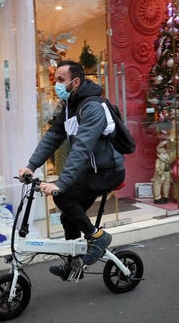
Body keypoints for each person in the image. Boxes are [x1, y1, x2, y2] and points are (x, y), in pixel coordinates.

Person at [19, 60, 125, 280]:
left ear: (75, 82)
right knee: (69, 217)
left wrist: (60, 183)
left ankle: (97, 237)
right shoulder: (69, 108)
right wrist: (31, 165)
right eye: (55, 79)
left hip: (107, 172)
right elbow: (52, 137)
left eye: (60, 80)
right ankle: (73, 264)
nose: (56, 85)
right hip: (90, 171)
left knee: (63, 196)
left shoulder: (92, 107)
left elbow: (82, 148)